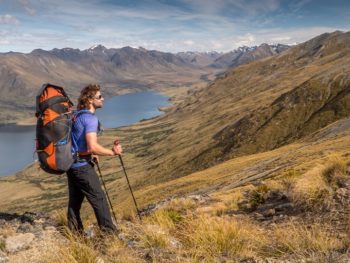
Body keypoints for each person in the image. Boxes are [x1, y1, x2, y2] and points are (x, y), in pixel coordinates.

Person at [67, 84, 122, 233]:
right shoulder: (90, 119)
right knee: (99, 199)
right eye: (99, 97)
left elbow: (77, 140)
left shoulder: (77, 115)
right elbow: (92, 146)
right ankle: (110, 236)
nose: (103, 99)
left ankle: (75, 234)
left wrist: (90, 153)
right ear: (90, 100)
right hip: (82, 168)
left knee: (75, 203)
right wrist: (112, 152)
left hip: (71, 165)